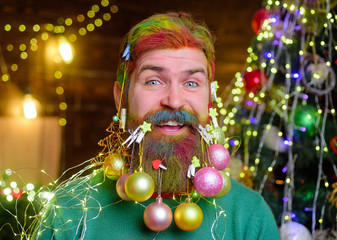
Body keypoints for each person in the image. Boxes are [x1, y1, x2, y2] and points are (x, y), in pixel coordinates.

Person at [32, 12, 281, 239]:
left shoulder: (249, 215)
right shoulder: (69, 211)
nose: (174, 101)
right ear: (121, 98)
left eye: (192, 83)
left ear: (210, 100)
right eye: (153, 81)